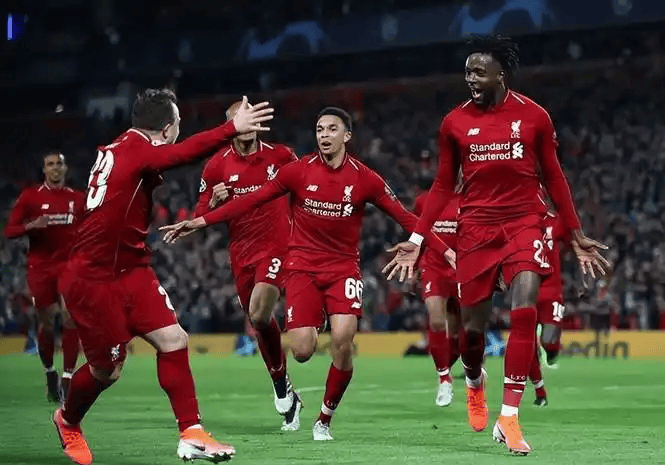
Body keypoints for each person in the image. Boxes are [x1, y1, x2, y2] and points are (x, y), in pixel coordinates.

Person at [161, 107, 453, 441]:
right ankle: (311, 330)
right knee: (301, 351)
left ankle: (324, 419)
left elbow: (405, 216)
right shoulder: (298, 171)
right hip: (301, 267)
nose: (324, 135)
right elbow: (251, 201)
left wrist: (445, 250)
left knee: (343, 340)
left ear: (347, 136)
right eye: (319, 129)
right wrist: (201, 220)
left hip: (340, 267)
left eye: (331, 129)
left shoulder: (364, 178)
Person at [382, 35, 609, 455]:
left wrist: (576, 234)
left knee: (524, 311)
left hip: (524, 222)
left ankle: (509, 417)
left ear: (500, 74)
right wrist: (416, 239)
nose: (470, 79)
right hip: (476, 229)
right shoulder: (454, 122)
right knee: (472, 333)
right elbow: (442, 184)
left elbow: (554, 176)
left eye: (479, 72)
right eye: (467, 72)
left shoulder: (534, 116)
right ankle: (474, 380)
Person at [52, 90, 273, 465]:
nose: (179, 132)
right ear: (168, 128)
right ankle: (67, 420)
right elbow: (180, 155)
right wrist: (230, 129)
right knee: (107, 370)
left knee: (174, 339)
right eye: (179, 125)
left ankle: (191, 433)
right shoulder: (137, 148)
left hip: (131, 268)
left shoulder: (125, 146)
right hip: (94, 277)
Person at [194, 100, 302, 430]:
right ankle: (283, 385)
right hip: (241, 254)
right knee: (259, 321)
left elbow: (306, 191)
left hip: (276, 247)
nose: (245, 124)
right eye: (238, 120)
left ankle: (283, 380)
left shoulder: (281, 156)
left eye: (250, 118)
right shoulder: (216, 166)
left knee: (258, 313)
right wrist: (213, 202)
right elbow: (200, 216)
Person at [4, 152, 84, 402]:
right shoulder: (30, 197)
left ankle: (68, 378)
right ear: (44, 170)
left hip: (69, 266)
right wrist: (31, 226)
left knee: (71, 317)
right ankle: (50, 372)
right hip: (40, 267)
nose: (55, 168)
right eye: (51, 164)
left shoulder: (78, 199)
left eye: (59, 163)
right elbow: (9, 230)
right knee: (47, 324)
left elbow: (92, 227)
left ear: (65, 168)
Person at [413, 188, 461, 407]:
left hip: (462, 267)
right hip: (434, 267)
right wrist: (414, 265)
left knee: (459, 333)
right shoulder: (424, 201)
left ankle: (452, 366)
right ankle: (444, 378)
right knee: (437, 320)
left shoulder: (471, 199)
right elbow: (417, 234)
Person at [528, 196, 567, 406]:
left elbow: (572, 243)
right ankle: (539, 390)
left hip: (552, 290)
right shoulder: (522, 221)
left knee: (549, 342)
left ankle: (552, 353)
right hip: (528, 289)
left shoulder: (557, 221)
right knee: (527, 343)